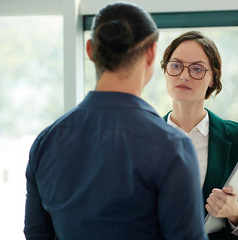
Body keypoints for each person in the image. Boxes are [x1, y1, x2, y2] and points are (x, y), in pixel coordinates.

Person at [24, 3, 207, 240]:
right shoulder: (172, 147)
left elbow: (36, 234)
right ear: (151, 53)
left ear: (90, 50)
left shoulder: (45, 143)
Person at [161, 31, 238, 240]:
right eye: (175, 66)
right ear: (165, 70)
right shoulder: (144, 138)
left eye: (197, 69)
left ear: (213, 78)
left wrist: (236, 213)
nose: (184, 76)